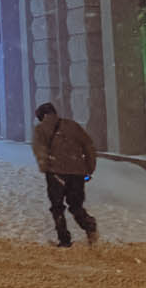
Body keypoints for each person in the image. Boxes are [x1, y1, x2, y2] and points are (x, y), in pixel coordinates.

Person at [30, 100, 97, 247]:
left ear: (42, 116)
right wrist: (89, 167)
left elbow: (39, 149)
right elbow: (88, 145)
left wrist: (44, 165)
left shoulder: (40, 129)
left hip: (56, 172)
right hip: (77, 172)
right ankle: (89, 226)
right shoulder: (72, 125)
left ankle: (64, 240)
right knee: (75, 205)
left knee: (57, 206)